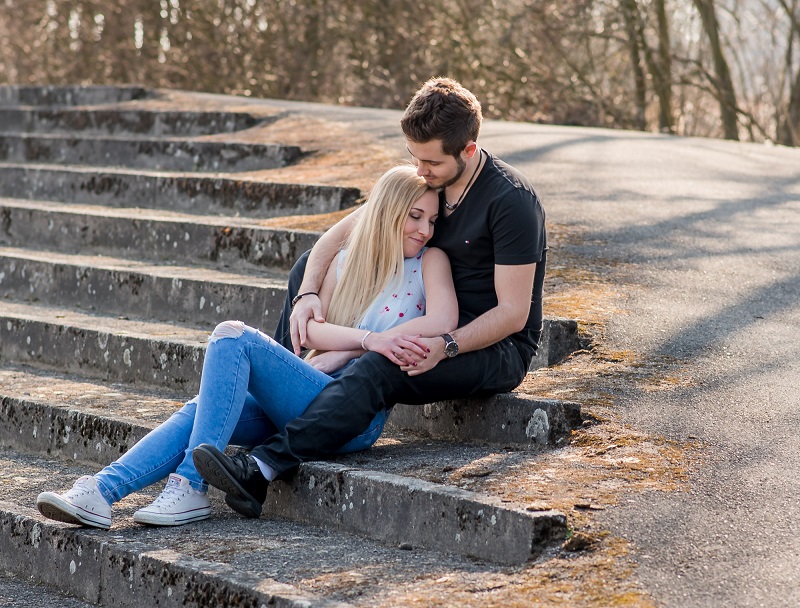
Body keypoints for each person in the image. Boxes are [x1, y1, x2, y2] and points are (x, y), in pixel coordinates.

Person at [192, 77, 548, 519]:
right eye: (413, 157)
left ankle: (262, 466)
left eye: (430, 161)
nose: (420, 170)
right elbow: (332, 241)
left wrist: (445, 346)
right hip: (431, 326)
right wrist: (305, 296)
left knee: (382, 359)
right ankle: (296, 384)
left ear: (468, 151)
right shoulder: (430, 186)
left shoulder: (510, 201)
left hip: (488, 347)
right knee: (308, 265)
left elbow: (514, 315)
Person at [35, 165, 457, 529]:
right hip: (307, 388)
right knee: (200, 408)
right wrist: (367, 341)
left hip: (353, 417)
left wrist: (355, 348)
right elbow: (310, 333)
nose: (424, 229)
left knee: (232, 335)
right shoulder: (346, 261)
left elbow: (443, 321)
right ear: (386, 213)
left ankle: (189, 486)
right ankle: (101, 493)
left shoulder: (429, 262)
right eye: (414, 216)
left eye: (432, 220)